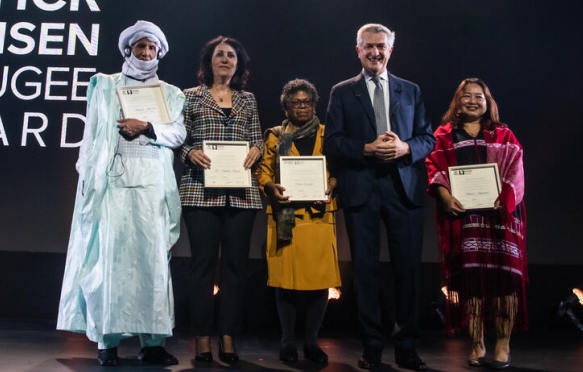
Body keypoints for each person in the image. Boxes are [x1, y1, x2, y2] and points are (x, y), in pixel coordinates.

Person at [57, 20, 185, 367]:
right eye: (140, 46)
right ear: (128, 49)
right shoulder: (105, 85)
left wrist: (147, 126)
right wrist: (86, 177)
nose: (146, 53)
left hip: (152, 187)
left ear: (159, 52)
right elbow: (93, 134)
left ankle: (153, 343)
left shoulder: (171, 93)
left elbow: (177, 135)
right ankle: (107, 343)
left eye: (152, 48)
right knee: (109, 264)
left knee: (153, 265)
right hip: (113, 186)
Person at [323, 23, 435, 371]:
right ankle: (372, 345)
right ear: (358, 50)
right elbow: (333, 143)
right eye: (368, 46)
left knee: (407, 271)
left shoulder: (410, 90)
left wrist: (405, 147)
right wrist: (366, 148)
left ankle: (407, 346)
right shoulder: (342, 92)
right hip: (362, 190)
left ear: (391, 49)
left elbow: (427, 139)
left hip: (403, 190)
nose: (375, 52)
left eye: (381, 46)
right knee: (366, 272)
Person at [424, 78, 527, 370]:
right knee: (471, 285)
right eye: (466, 96)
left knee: (505, 282)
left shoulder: (504, 134)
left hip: (500, 219)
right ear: (457, 101)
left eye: (478, 96)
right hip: (464, 220)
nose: (472, 101)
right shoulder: (443, 135)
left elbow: (515, 168)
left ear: (487, 102)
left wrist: (506, 198)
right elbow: (433, 166)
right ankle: (477, 343)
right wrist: (444, 196)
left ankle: (503, 343)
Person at [179, 36, 263, 365]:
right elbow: (179, 139)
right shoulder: (190, 97)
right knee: (201, 266)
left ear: (238, 64)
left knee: (235, 268)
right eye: (219, 54)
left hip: (241, 194)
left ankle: (228, 336)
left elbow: (256, 138)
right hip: (200, 190)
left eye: (231, 55)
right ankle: (201, 338)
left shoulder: (249, 100)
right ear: (208, 62)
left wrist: (256, 149)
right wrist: (190, 152)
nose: (225, 59)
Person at [256, 78, 340, 365]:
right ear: (286, 107)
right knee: (286, 284)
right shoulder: (275, 136)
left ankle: (312, 342)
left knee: (319, 284)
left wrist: (330, 185)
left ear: (314, 105)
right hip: (285, 217)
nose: (302, 106)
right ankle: (288, 341)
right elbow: (263, 171)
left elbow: (336, 170)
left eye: (307, 101)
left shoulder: (328, 135)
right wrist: (270, 188)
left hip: (318, 216)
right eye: (296, 102)